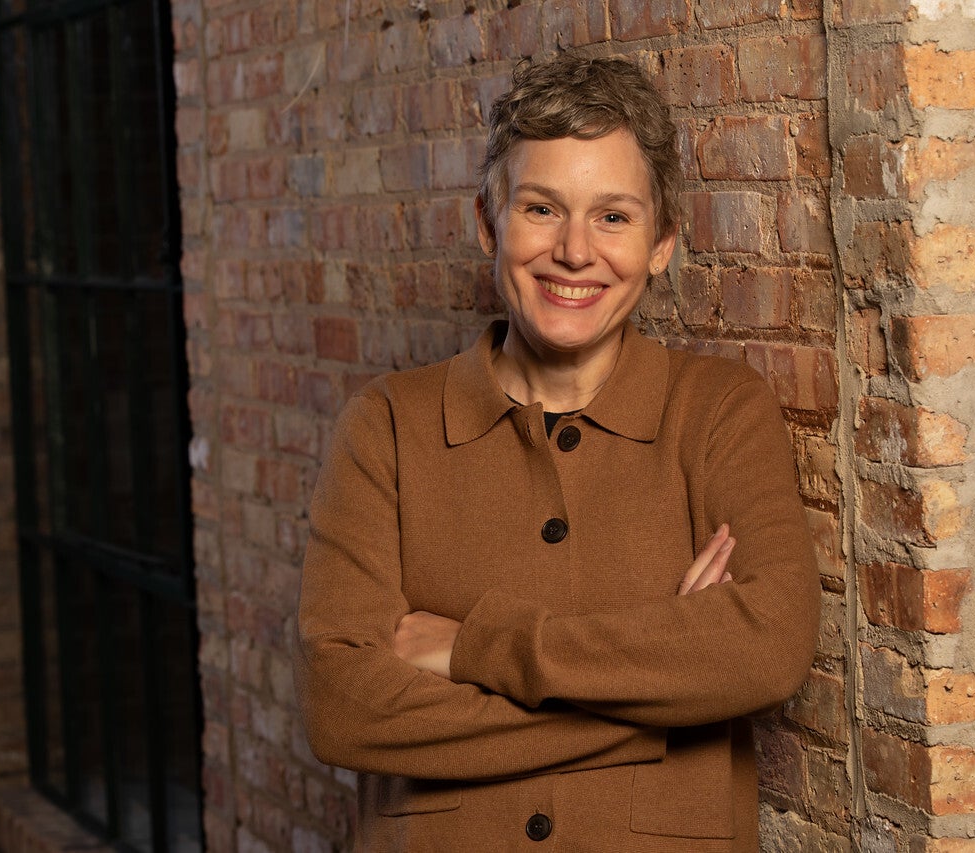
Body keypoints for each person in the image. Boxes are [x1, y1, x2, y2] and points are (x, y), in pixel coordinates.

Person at [296, 53, 820, 852]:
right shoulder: (386, 428)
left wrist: (475, 648)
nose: (576, 252)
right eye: (542, 208)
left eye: (614, 216)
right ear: (487, 222)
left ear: (663, 242)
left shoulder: (719, 414)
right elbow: (342, 707)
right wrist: (662, 706)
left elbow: (767, 649)